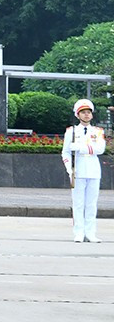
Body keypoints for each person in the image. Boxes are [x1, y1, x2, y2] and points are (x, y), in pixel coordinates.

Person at [62, 97, 103, 243]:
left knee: (91, 204)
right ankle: (78, 233)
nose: (86, 115)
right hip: (77, 171)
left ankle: (91, 233)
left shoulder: (97, 131)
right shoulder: (71, 131)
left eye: (88, 112)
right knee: (78, 203)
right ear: (77, 115)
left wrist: (81, 148)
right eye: (83, 112)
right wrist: (69, 169)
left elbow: (100, 149)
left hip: (93, 171)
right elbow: (65, 152)